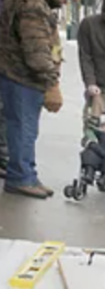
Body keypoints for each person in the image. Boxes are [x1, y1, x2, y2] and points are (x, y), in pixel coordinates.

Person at [0, 0, 63, 199]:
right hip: (22, 77)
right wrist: (52, 83)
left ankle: (27, 173)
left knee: (24, 128)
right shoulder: (32, 7)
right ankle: (21, 177)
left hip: (19, 75)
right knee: (23, 128)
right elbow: (36, 51)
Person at [81, 111, 105, 190]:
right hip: (97, 151)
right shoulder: (97, 133)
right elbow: (89, 135)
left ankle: (104, 178)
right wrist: (92, 143)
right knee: (89, 154)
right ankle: (89, 173)